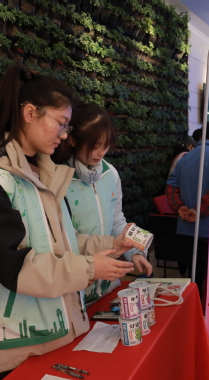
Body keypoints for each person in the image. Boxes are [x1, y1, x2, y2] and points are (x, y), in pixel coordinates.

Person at [0, 65, 134, 380]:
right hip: (11, 341)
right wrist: (91, 268)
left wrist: (110, 244)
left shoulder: (39, 174)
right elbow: (14, 267)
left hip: (51, 330)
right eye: (61, 123)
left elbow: (60, 241)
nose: (64, 135)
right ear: (30, 113)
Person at [51, 102, 153, 303]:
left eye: (105, 145)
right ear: (72, 140)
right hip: (77, 290)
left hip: (109, 284)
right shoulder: (58, 180)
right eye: (94, 146)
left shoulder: (110, 173)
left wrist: (135, 252)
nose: (101, 152)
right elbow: (64, 240)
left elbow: (117, 219)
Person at [165, 121, 209, 306]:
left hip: (185, 228)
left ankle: (192, 312)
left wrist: (181, 208)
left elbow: (171, 186)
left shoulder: (184, 158)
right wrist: (198, 211)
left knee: (193, 276)